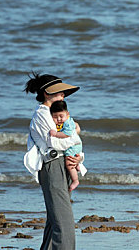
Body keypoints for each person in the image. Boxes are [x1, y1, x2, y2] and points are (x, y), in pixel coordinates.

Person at [23, 72, 85, 250]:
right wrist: (74, 135)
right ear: (45, 93)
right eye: (58, 92)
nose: (62, 95)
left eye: (63, 93)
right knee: (63, 223)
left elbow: (70, 137)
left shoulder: (55, 114)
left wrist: (78, 157)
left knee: (55, 220)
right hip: (53, 165)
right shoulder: (42, 114)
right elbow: (55, 142)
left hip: (64, 164)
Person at [49, 100, 85, 192]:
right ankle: (77, 166)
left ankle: (75, 180)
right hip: (74, 145)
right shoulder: (64, 121)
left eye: (61, 116)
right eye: (55, 117)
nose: (59, 119)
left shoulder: (68, 122)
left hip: (74, 145)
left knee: (69, 163)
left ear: (67, 114)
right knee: (73, 160)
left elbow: (67, 134)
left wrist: (56, 134)